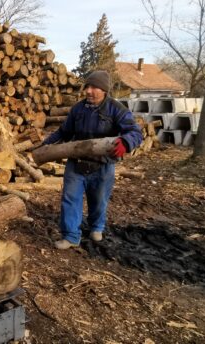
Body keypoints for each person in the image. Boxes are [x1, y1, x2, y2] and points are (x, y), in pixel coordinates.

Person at [42, 70, 142, 250]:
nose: (88, 91)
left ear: (104, 90)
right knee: (70, 198)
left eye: (94, 87)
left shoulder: (116, 109)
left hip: (103, 165)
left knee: (99, 200)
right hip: (77, 162)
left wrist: (126, 143)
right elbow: (64, 132)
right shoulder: (78, 109)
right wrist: (45, 146)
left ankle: (96, 227)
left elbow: (135, 132)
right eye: (87, 86)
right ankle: (71, 236)